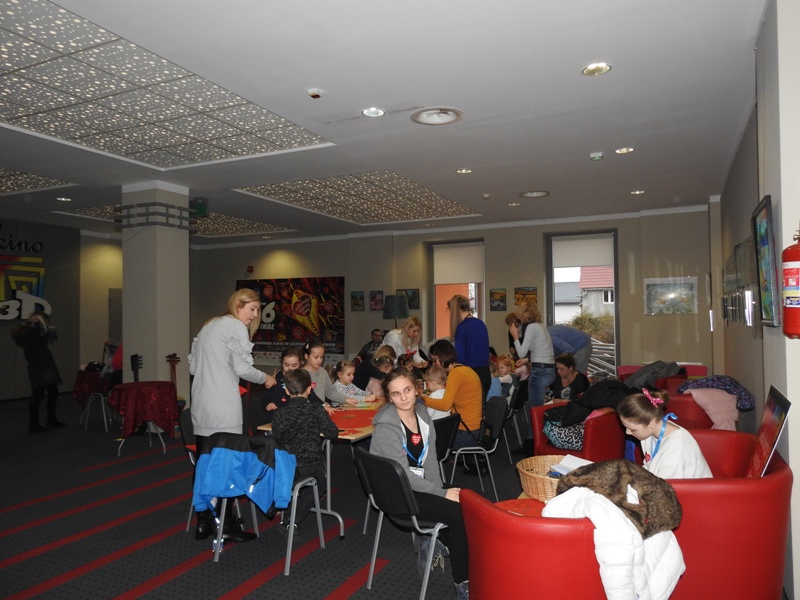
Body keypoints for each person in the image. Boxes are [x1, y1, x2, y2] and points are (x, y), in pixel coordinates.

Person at [188, 288, 278, 543]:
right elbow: (242, 368)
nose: (255, 315)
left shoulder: (209, 325)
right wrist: (266, 379)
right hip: (222, 406)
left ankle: (204, 521)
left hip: (202, 404)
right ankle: (226, 524)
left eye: (258, 310)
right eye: (252, 309)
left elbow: (193, 366)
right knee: (226, 466)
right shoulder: (235, 326)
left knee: (204, 462)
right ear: (238, 305)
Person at [371, 368, 470, 599]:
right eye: (396, 394)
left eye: (407, 390)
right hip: (397, 493)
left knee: (469, 500)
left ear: (417, 389)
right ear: (389, 397)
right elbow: (403, 476)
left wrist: (440, 490)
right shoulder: (386, 427)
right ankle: (462, 583)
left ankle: (439, 540)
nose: (403, 397)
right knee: (460, 515)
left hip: (417, 484)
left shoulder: (423, 415)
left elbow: (431, 460)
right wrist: (441, 495)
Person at [272, 368, 339, 531]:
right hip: (310, 465)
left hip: (287, 465)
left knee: (297, 482)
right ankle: (293, 519)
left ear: (287, 391)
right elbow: (333, 433)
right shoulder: (315, 409)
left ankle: (286, 513)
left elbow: (277, 438)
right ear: (310, 388)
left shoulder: (280, 413)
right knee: (320, 485)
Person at [616, 389, 712, 479]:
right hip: (663, 483)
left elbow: (667, 488)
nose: (627, 432)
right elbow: (649, 467)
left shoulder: (676, 449)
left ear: (652, 423)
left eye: (632, 429)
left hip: (689, 490)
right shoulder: (650, 431)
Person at [419, 339, 482, 450]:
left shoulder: (455, 374)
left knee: (422, 440)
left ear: (442, 357)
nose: (434, 364)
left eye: (435, 360)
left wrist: (424, 399)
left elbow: (445, 405)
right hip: (475, 428)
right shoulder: (464, 369)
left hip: (466, 432)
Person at [12, 311, 65, 432]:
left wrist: (42, 327)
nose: (45, 322)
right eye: (43, 320)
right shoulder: (29, 332)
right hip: (38, 366)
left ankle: (51, 419)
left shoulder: (36, 332)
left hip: (45, 365)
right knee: (38, 394)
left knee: (53, 393)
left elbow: (48, 337)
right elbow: (39, 339)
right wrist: (38, 325)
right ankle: (34, 424)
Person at [510, 299, 555, 414]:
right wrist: (527, 360)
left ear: (525, 312)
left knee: (535, 410)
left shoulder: (531, 327)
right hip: (549, 370)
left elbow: (521, 353)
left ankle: (534, 427)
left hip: (540, 372)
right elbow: (542, 350)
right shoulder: (541, 326)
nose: (518, 313)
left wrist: (515, 336)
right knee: (538, 407)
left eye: (520, 310)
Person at [449, 295, 491, 400]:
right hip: (485, 373)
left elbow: (460, 358)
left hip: (472, 376)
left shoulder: (462, 327)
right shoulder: (480, 323)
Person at [254, 346, 304, 426]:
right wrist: (268, 405)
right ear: (281, 363)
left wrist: (323, 405)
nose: (290, 368)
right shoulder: (275, 378)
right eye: (286, 365)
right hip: (275, 420)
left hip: (296, 421)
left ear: (301, 363)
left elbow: (312, 396)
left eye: (294, 366)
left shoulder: (303, 378)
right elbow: (264, 400)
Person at [302, 340, 343, 411]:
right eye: (316, 357)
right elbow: (306, 398)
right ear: (306, 356)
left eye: (321, 357)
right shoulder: (300, 374)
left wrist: (346, 399)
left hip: (321, 410)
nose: (319, 360)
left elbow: (330, 392)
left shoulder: (323, 372)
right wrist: (322, 404)